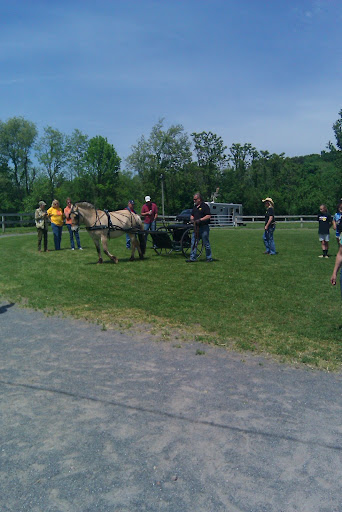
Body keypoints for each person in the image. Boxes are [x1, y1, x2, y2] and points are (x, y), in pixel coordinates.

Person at [186, 192, 213, 262]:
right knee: (193, 243)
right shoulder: (195, 207)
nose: (194, 201)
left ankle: (209, 257)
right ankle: (192, 258)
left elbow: (208, 216)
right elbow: (192, 215)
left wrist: (200, 220)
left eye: (195, 199)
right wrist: (192, 219)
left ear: (199, 199)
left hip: (204, 228)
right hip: (196, 228)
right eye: (193, 199)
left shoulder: (205, 206)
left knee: (206, 243)